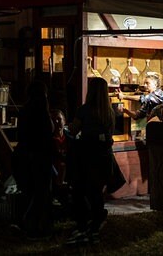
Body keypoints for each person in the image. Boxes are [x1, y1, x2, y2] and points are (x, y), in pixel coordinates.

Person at [65, 77, 116, 245]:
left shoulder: (84, 110)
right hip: (104, 158)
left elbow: (73, 130)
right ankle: (95, 228)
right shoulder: (109, 112)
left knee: (80, 192)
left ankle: (83, 227)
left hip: (86, 158)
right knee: (96, 193)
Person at [13, 80, 55, 239]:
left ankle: (28, 224)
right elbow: (47, 135)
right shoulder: (43, 113)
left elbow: (21, 135)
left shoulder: (24, 111)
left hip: (25, 155)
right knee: (42, 193)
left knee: (30, 192)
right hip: (41, 157)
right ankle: (39, 226)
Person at [50, 109, 69, 204]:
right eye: (54, 120)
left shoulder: (69, 138)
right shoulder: (49, 140)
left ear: (64, 121)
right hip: (54, 170)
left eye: (59, 119)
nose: (56, 122)